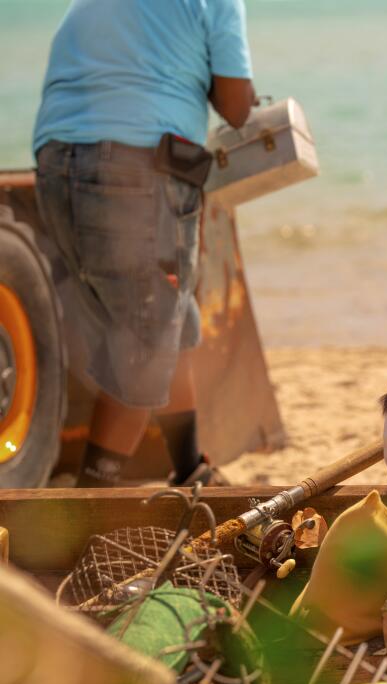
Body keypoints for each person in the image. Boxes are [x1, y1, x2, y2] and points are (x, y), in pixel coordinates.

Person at [32, 0, 256, 487]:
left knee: (166, 322)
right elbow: (237, 107)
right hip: (136, 170)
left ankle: (189, 466)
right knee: (143, 342)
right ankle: (90, 498)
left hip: (56, 165)